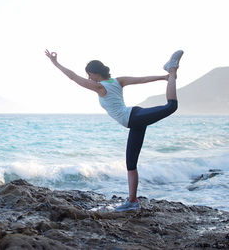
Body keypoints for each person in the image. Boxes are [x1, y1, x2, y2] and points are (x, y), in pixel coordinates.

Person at [45, 49, 183, 212]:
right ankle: (132, 201)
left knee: (171, 106)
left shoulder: (100, 87)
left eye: (89, 75)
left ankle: (172, 67)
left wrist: (55, 63)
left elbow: (73, 77)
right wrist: (163, 78)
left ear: (95, 73)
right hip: (135, 120)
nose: (88, 78)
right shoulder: (117, 81)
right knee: (131, 164)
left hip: (133, 117)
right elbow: (143, 79)